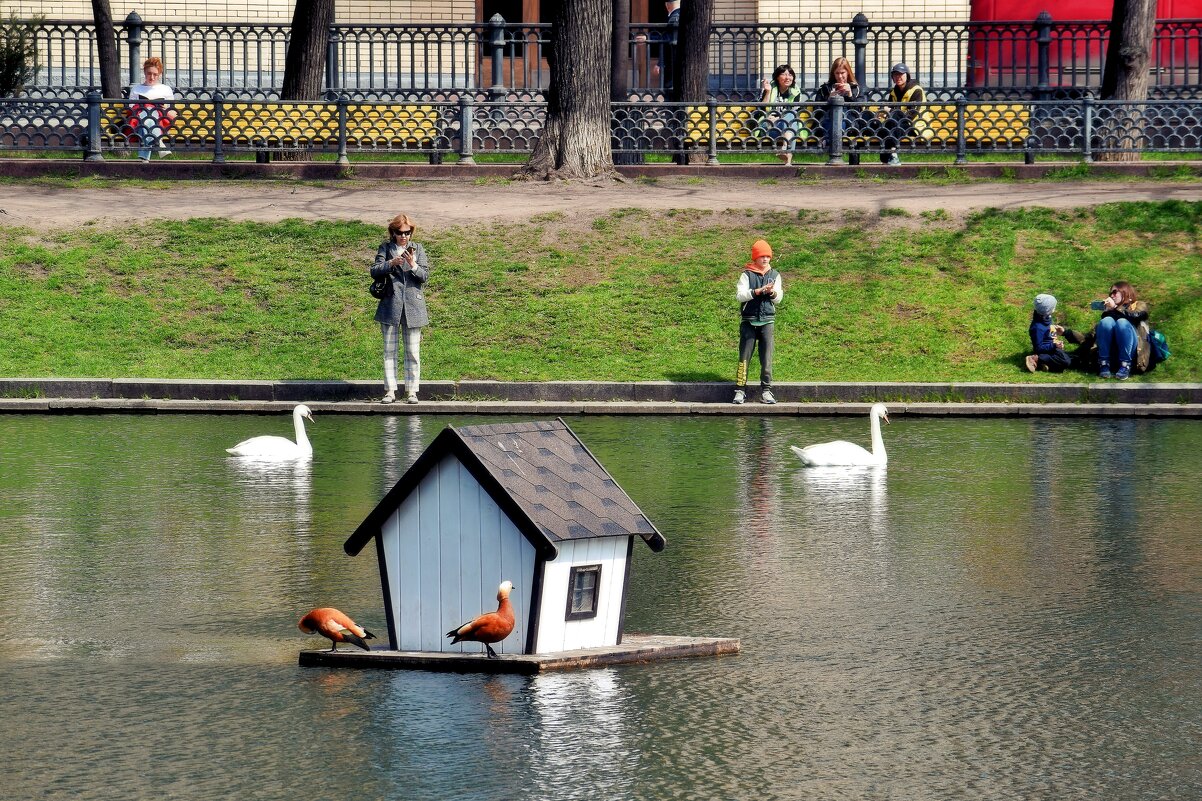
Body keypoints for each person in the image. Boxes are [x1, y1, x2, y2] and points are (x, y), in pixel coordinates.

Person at [370, 214, 430, 403]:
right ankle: (390, 391)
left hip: (414, 306)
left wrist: (413, 265)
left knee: (412, 352)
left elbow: (425, 276)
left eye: (407, 232)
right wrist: (391, 263)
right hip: (390, 304)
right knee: (389, 351)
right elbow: (374, 270)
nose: (404, 236)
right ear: (393, 233)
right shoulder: (386, 248)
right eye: (399, 233)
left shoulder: (418, 249)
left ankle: (411, 391)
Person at [733, 239, 784, 405]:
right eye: (762, 256)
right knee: (744, 358)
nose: (765, 259)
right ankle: (740, 391)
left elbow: (779, 298)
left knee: (766, 359)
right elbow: (740, 295)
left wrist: (771, 293)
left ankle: (766, 391)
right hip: (749, 322)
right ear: (755, 258)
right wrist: (757, 291)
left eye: (767, 256)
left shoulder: (775, 275)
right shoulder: (746, 275)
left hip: (767, 322)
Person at [1090, 281, 1150, 380]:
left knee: (1122, 322)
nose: (1112, 296)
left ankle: (1125, 365)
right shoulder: (1111, 311)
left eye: (1115, 292)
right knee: (1106, 321)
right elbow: (1092, 336)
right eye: (1110, 293)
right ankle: (1104, 363)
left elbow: (1136, 316)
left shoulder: (1139, 305)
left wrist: (1115, 308)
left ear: (1125, 292)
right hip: (1113, 352)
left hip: (1133, 353)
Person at [127, 57, 176, 162]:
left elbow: (171, 110)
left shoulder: (165, 89)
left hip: (161, 119)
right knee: (147, 113)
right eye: (149, 73)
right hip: (139, 118)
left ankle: (145, 156)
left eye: (155, 74)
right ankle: (159, 143)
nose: (152, 77)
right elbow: (131, 108)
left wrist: (158, 107)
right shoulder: (136, 89)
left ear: (159, 74)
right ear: (144, 72)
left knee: (151, 113)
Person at [877, 63, 924, 165]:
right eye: (895, 75)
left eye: (901, 74)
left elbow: (912, 114)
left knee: (895, 117)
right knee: (885, 124)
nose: (898, 77)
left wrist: (891, 111)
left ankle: (891, 154)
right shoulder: (894, 92)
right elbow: (889, 109)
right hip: (898, 125)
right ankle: (891, 156)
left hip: (915, 125)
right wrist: (883, 111)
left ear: (907, 76)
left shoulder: (916, 90)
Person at [755, 64, 803, 165]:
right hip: (768, 126)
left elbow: (796, 112)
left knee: (791, 117)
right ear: (777, 77)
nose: (788, 77)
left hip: (786, 127)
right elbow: (761, 109)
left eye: (790, 75)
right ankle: (787, 156)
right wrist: (767, 92)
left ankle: (785, 150)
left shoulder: (795, 91)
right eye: (784, 74)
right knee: (791, 125)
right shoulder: (769, 87)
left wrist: (778, 118)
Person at [813, 56, 861, 145]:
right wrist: (828, 99)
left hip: (850, 125)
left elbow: (859, 111)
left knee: (841, 113)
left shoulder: (856, 89)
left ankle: (829, 141)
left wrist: (850, 95)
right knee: (834, 114)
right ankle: (833, 142)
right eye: (837, 73)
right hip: (827, 121)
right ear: (833, 74)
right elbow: (817, 111)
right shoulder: (825, 89)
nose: (840, 76)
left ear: (848, 73)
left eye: (842, 73)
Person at [1025, 293, 1072, 373]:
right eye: (1053, 307)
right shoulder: (1037, 328)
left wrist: (1054, 331)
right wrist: (1054, 345)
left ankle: (1043, 363)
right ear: (1048, 310)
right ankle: (1035, 358)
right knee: (1066, 362)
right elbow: (1038, 348)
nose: (1054, 308)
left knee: (1074, 358)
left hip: (1052, 348)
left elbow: (1049, 332)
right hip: (1047, 350)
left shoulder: (1046, 317)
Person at [651, 1, 681, 91]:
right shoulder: (679, 15)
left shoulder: (674, 17)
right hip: (678, 62)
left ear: (667, 5)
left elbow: (667, 41)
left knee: (669, 90)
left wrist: (660, 63)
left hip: (672, 63)